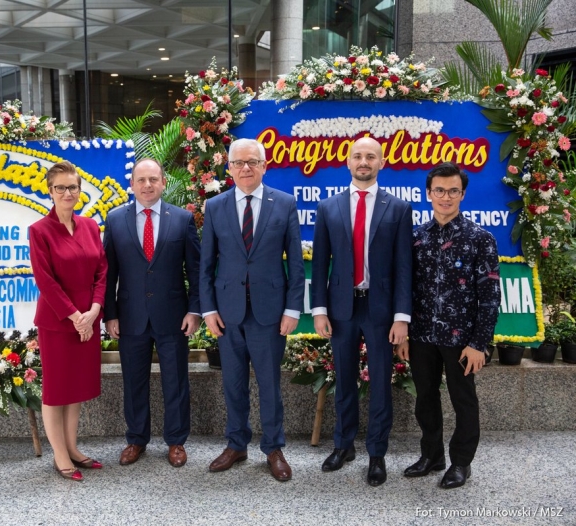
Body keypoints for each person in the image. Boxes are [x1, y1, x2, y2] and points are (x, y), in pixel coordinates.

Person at [200, 138, 305, 482]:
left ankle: (273, 448)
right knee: (232, 383)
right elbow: (206, 265)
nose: (245, 168)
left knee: (270, 384)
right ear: (228, 168)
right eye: (238, 163)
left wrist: (293, 309)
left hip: (270, 312)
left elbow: (296, 264)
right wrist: (208, 310)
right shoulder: (214, 206)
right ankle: (236, 443)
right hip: (228, 313)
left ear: (264, 165)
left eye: (252, 162)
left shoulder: (285, 204)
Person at [311, 136, 412, 487]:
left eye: (371, 156)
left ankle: (377, 453)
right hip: (340, 307)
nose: (363, 161)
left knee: (382, 382)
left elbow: (404, 267)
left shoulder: (397, 208)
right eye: (357, 156)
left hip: (380, 308)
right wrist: (319, 310)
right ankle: (343, 445)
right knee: (344, 379)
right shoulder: (328, 208)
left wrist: (402, 317)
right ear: (348, 162)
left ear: (381, 163)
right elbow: (320, 262)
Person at [396, 162, 501, 489]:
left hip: (462, 339)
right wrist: (404, 334)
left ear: (462, 194)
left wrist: (479, 343)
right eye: (439, 190)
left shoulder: (479, 239)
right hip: (422, 336)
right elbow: (406, 289)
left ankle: (460, 463)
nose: (445, 196)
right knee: (425, 397)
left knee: (463, 400)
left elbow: (490, 296)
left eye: (452, 190)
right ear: (428, 193)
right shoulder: (415, 238)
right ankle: (432, 455)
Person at [103, 158, 201, 468]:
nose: (147, 185)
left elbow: (195, 271)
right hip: (130, 316)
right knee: (134, 381)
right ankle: (136, 439)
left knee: (176, 380)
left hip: (173, 315)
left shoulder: (182, 219)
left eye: (153, 179)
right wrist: (110, 314)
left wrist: (195, 310)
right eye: (141, 180)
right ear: (131, 184)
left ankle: (176, 441)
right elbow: (108, 272)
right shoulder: (115, 219)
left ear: (163, 183)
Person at [29, 160, 108, 482]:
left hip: (87, 319)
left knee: (76, 389)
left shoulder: (90, 227)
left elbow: (102, 271)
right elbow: (45, 280)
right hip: (59, 323)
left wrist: (94, 310)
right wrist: (76, 317)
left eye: (72, 187)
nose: (67, 192)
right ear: (50, 191)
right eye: (60, 187)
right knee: (56, 390)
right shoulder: (39, 231)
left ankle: (73, 447)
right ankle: (60, 456)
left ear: (80, 190)